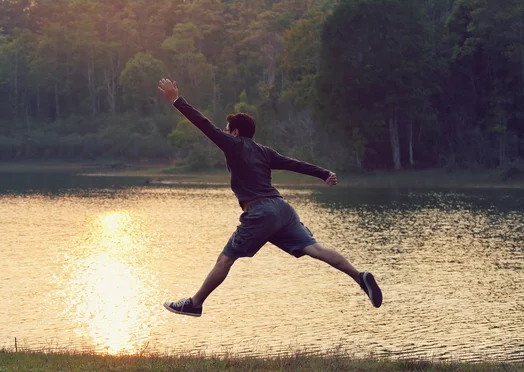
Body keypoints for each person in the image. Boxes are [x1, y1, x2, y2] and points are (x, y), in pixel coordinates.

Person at [158, 79, 382, 317]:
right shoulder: (265, 152)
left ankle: (195, 303)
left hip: (260, 212)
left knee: (225, 260)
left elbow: (203, 123)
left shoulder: (233, 144)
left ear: (234, 132)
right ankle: (359, 277)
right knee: (315, 248)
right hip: (282, 210)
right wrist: (324, 173)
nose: (224, 133)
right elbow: (294, 164)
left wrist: (175, 99)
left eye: (227, 130)